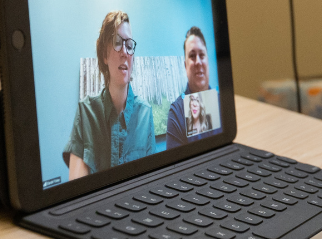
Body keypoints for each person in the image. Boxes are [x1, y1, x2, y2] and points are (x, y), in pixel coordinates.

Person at [63, 11, 156, 179]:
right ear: (105, 55)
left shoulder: (145, 113)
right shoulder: (86, 113)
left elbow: (151, 180)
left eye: (129, 45)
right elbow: (77, 192)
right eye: (117, 43)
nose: (125, 52)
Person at [166, 26, 220, 148]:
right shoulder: (176, 113)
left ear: (207, 61)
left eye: (202, 55)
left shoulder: (222, 102)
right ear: (185, 65)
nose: (198, 62)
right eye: (192, 56)